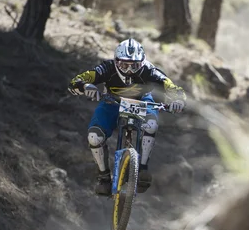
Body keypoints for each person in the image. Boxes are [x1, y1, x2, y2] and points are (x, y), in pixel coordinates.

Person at [68, 38, 187, 195]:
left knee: (151, 125)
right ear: (116, 61)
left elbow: (171, 87)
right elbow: (77, 81)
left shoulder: (150, 70)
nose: (129, 70)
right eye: (124, 65)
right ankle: (104, 178)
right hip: (112, 101)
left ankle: (143, 168)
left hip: (142, 101)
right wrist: (86, 86)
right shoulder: (106, 68)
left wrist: (177, 100)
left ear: (142, 62)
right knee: (94, 137)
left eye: (135, 65)